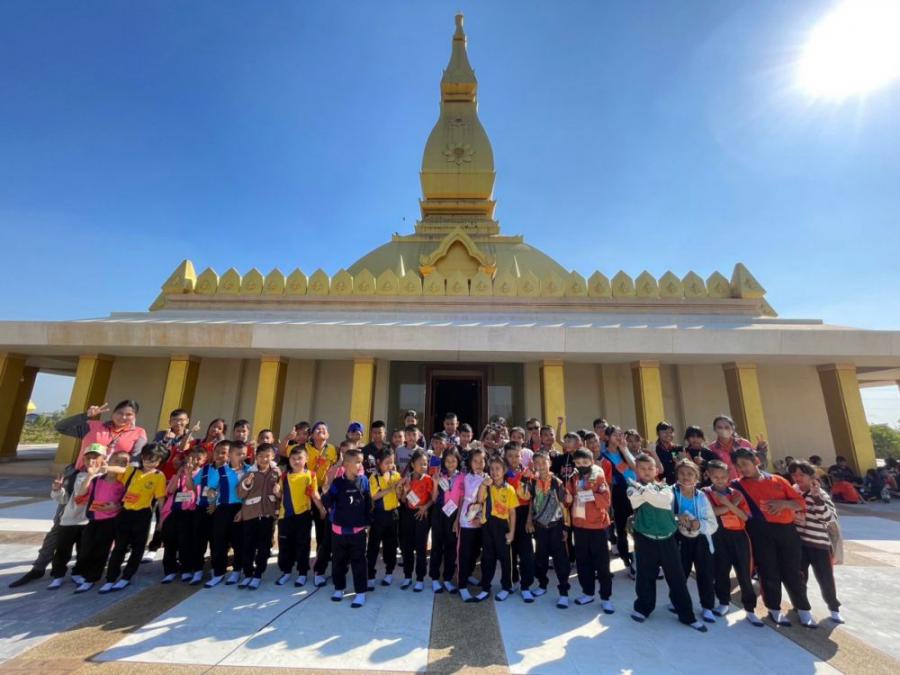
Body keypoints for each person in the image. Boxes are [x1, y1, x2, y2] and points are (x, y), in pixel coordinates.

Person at [7, 400, 149, 590]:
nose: (124, 417)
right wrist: (86, 415)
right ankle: (39, 567)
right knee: (62, 524)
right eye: (120, 412)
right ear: (113, 412)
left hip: (108, 484)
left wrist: (108, 471)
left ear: (135, 417)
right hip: (80, 479)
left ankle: (82, 571)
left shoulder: (138, 433)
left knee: (94, 530)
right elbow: (61, 427)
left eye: (129, 414)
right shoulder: (93, 426)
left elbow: (134, 463)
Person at [731, 447, 816, 627]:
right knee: (769, 571)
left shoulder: (778, 480)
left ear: (756, 461)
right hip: (759, 532)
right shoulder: (736, 486)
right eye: (738, 466)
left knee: (793, 571)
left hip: (787, 531)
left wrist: (783, 503)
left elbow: (800, 503)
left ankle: (803, 608)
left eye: (745, 464)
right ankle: (774, 609)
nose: (742, 469)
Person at [627, 454, 708, 632]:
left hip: (667, 538)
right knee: (645, 576)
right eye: (642, 468)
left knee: (677, 577)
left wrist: (644, 492)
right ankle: (643, 608)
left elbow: (663, 501)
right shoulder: (631, 488)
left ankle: (687, 615)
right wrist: (648, 493)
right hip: (645, 538)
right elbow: (635, 500)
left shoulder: (665, 488)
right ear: (636, 470)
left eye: (650, 468)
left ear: (657, 470)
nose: (646, 471)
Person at [99, 443, 167, 593]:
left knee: (138, 547)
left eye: (155, 460)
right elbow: (121, 470)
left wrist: (162, 519)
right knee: (119, 546)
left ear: (159, 461)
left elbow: (161, 499)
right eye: (147, 459)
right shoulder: (132, 470)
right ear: (142, 457)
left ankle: (126, 577)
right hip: (125, 513)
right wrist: (106, 467)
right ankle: (111, 578)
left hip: (143, 514)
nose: (150, 463)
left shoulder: (158, 476)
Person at [702, 459, 761, 626]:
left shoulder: (736, 494)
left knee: (744, 573)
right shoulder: (705, 493)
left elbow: (744, 516)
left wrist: (727, 503)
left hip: (739, 536)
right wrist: (732, 506)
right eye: (715, 477)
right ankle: (723, 602)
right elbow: (712, 512)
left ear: (728, 476)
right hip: (718, 535)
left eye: (723, 477)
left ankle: (750, 609)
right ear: (709, 476)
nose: (719, 480)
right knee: (721, 571)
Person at [790, 460, 845, 624]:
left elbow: (828, 519)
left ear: (811, 476)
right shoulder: (793, 491)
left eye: (802, 474)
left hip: (819, 544)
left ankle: (834, 608)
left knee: (825, 578)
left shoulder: (821, 494)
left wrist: (816, 498)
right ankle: (800, 606)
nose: (798, 478)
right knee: (799, 577)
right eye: (794, 474)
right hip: (800, 543)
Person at [46, 445, 105, 589]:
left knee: (84, 551)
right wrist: (57, 490)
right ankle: (58, 575)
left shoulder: (105, 478)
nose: (91, 461)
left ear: (103, 459)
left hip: (89, 521)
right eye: (88, 458)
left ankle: (78, 572)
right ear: (83, 459)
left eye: (95, 457)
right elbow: (64, 499)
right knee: (62, 550)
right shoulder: (75, 476)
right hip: (69, 520)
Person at [321, 448, 372, 607]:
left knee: (359, 562)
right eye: (357, 462)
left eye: (361, 462)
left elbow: (368, 503)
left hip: (358, 531)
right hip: (339, 531)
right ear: (346, 464)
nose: (360, 465)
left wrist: (368, 523)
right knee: (338, 561)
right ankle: (339, 588)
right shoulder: (337, 483)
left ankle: (360, 592)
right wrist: (326, 494)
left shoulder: (364, 481)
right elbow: (328, 501)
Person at [72, 451, 129, 593]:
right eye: (116, 461)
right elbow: (82, 493)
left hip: (110, 521)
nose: (119, 464)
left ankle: (91, 578)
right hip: (94, 519)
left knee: (101, 551)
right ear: (109, 461)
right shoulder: (97, 480)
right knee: (85, 548)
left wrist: (116, 507)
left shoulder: (123, 483)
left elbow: (125, 502)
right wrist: (90, 475)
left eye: (124, 462)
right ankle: (82, 572)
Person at [565, 448, 613, 611]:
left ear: (591, 462)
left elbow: (606, 500)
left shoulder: (598, 476)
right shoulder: (573, 477)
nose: (581, 465)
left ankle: (606, 597)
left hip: (597, 526)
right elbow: (568, 497)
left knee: (602, 564)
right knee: (583, 561)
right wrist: (567, 497)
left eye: (585, 462)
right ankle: (588, 592)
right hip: (579, 526)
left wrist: (590, 495)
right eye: (578, 463)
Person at [672, 459, 718, 623]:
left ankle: (707, 607)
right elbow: (663, 516)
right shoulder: (670, 493)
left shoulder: (702, 497)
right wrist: (676, 517)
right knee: (679, 573)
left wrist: (699, 524)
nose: (686, 477)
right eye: (682, 473)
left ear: (696, 477)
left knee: (705, 573)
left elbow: (713, 524)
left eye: (690, 474)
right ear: (677, 475)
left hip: (701, 539)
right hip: (679, 539)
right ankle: (676, 602)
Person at [525, 451, 571, 608]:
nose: (540, 466)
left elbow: (564, 506)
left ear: (549, 463)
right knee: (540, 557)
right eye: (537, 463)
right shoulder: (533, 482)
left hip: (556, 526)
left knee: (560, 560)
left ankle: (563, 592)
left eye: (543, 462)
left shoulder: (557, 482)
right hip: (540, 527)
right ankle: (542, 584)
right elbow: (529, 500)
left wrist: (565, 527)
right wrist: (529, 520)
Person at [276, 446, 325, 587]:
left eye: (300, 458)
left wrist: (321, 509)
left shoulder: (310, 475)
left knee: (303, 545)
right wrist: (276, 491)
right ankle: (286, 571)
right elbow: (280, 494)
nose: (296, 461)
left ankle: (302, 573)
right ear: (289, 460)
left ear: (306, 459)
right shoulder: (284, 476)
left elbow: (315, 494)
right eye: (293, 458)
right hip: (285, 516)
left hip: (303, 516)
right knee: (285, 545)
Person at [236, 443, 281, 589]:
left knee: (264, 546)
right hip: (251, 515)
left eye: (267, 456)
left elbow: (281, 495)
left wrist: (278, 494)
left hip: (268, 515)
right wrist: (247, 484)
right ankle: (248, 573)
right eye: (260, 456)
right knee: (248, 545)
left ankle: (258, 574)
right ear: (256, 457)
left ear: (273, 457)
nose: (264, 459)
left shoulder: (277, 473)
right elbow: (240, 494)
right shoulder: (250, 473)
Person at [205, 440, 247, 587]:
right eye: (238, 454)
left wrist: (243, 510)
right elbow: (211, 488)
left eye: (244, 454)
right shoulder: (221, 470)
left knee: (238, 542)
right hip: (222, 509)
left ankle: (237, 571)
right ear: (230, 455)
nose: (241, 456)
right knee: (219, 541)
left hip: (240, 509)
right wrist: (211, 500)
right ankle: (218, 572)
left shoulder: (249, 470)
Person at [475, 456, 517, 602]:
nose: (494, 472)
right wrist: (483, 485)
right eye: (492, 469)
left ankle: (506, 586)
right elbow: (480, 500)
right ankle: (485, 587)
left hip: (502, 526)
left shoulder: (509, 489)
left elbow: (512, 512)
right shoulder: (487, 486)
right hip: (488, 525)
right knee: (487, 557)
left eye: (498, 469)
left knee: (505, 558)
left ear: (504, 470)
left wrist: (511, 532)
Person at [160, 445, 204, 585]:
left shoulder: (201, 475)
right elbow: (170, 491)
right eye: (192, 457)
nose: (194, 460)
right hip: (172, 511)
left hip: (188, 511)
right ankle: (170, 570)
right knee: (169, 541)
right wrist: (179, 474)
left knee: (185, 541)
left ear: (203, 460)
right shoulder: (179, 474)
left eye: (198, 458)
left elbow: (195, 493)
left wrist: (190, 475)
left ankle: (186, 568)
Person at [602, 426, 637, 577]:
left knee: (639, 528)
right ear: (607, 437)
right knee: (621, 529)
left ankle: (640, 560)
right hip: (618, 495)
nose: (619, 437)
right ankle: (628, 562)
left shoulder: (625, 452)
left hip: (635, 493)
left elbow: (635, 467)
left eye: (620, 434)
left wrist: (624, 449)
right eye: (615, 435)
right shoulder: (603, 456)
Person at [306, 422, 338, 587]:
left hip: (325, 490)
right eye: (317, 429)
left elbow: (336, 467)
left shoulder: (332, 449)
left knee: (322, 526)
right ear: (311, 434)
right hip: (307, 489)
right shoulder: (304, 448)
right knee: (305, 527)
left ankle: (320, 558)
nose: (321, 431)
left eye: (324, 429)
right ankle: (304, 562)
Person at [503, 442, 536, 602]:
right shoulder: (502, 474)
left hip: (523, 514)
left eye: (517, 455)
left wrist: (529, 519)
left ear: (521, 456)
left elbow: (531, 500)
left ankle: (526, 585)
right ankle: (512, 581)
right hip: (507, 515)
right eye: (510, 456)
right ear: (505, 456)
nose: (514, 459)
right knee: (509, 551)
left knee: (526, 552)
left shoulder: (527, 474)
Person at [456, 448, 489, 602]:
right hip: (467, 520)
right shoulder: (467, 477)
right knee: (465, 553)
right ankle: (462, 585)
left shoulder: (488, 477)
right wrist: (484, 483)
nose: (479, 464)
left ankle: (469, 574)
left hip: (481, 522)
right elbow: (469, 495)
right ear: (470, 463)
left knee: (475, 552)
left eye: (482, 461)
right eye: (475, 461)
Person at [429, 447, 464, 593]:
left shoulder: (462, 477)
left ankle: (448, 579)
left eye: (453, 460)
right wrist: (435, 483)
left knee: (451, 547)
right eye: (448, 461)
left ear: (458, 461)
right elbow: (433, 498)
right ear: (444, 462)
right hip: (439, 512)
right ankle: (434, 578)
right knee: (437, 546)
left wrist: (457, 519)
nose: (450, 464)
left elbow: (462, 500)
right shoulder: (439, 475)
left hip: (453, 514)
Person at [399, 450, 433, 591]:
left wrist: (425, 507)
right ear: (413, 464)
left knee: (421, 547)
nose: (424, 466)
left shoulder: (428, 479)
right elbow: (402, 500)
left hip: (421, 515)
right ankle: (407, 576)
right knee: (407, 547)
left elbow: (432, 499)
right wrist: (406, 491)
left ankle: (420, 578)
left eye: (425, 464)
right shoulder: (407, 479)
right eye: (421, 464)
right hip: (408, 514)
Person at [368, 448, 401, 588]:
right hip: (379, 515)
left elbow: (399, 496)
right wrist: (390, 489)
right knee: (373, 545)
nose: (390, 465)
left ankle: (389, 572)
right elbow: (374, 496)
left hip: (393, 514)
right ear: (378, 462)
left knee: (391, 545)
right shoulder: (374, 477)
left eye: (392, 462)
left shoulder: (396, 475)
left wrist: (399, 489)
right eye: (386, 463)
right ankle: (370, 574)